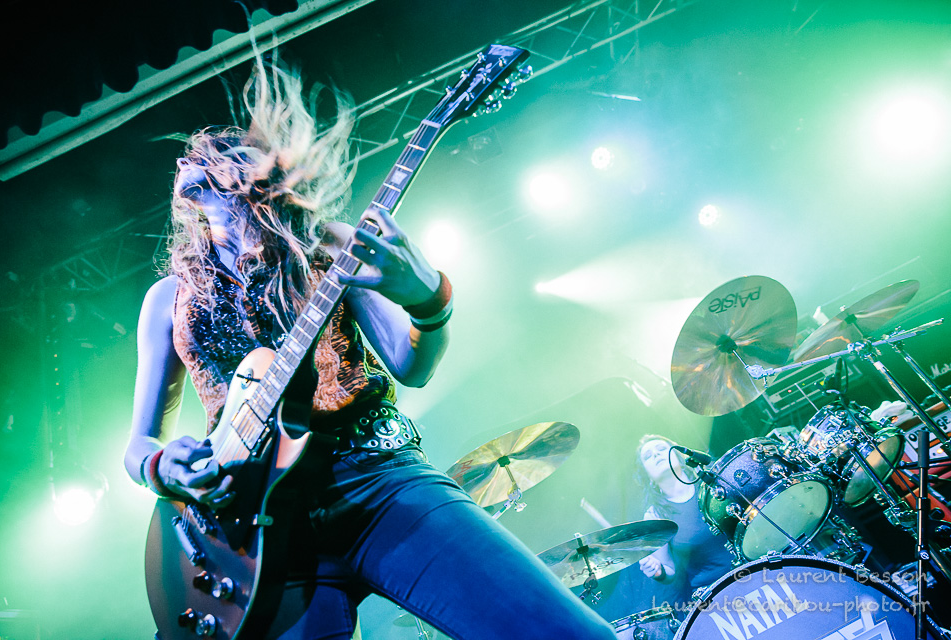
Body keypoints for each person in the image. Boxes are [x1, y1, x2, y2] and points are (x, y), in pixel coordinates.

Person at [123, 57, 618, 640]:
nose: (187, 160)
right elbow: (139, 444)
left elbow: (412, 366)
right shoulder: (167, 299)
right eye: (186, 157)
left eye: (212, 152)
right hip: (252, 527)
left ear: (256, 174)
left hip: (376, 479)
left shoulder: (329, 247)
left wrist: (428, 301)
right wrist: (162, 467)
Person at [634, 435, 733, 608]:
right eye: (648, 456)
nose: (656, 454)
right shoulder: (655, 515)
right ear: (647, 475)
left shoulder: (711, 483)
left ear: (679, 456)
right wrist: (658, 571)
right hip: (714, 595)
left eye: (661, 449)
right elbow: (669, 569)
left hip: (754, 569)